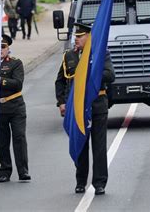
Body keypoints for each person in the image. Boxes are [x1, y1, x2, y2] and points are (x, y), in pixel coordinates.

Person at [54, 23, 115, 195]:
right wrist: (61, 102)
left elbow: (111, 75)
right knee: (80, 144)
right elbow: (60, 81)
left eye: (80, 36)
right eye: (75, 36)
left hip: (97, 105)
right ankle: (80, 181)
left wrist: (91, 72)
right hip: (78, 107)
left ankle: (100, 182)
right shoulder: (70, 56)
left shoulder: (101, 54)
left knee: (99, 146)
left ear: (89, 37)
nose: (76, 39)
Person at [0, 34, 31, 183]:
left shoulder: (16, 63)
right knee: (1, 141)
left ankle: (23, 171)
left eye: (3, 47)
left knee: (19, 137)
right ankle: (5, 171)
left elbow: (17, 83)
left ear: (8, 48)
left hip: (15, 106)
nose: (1, 50)